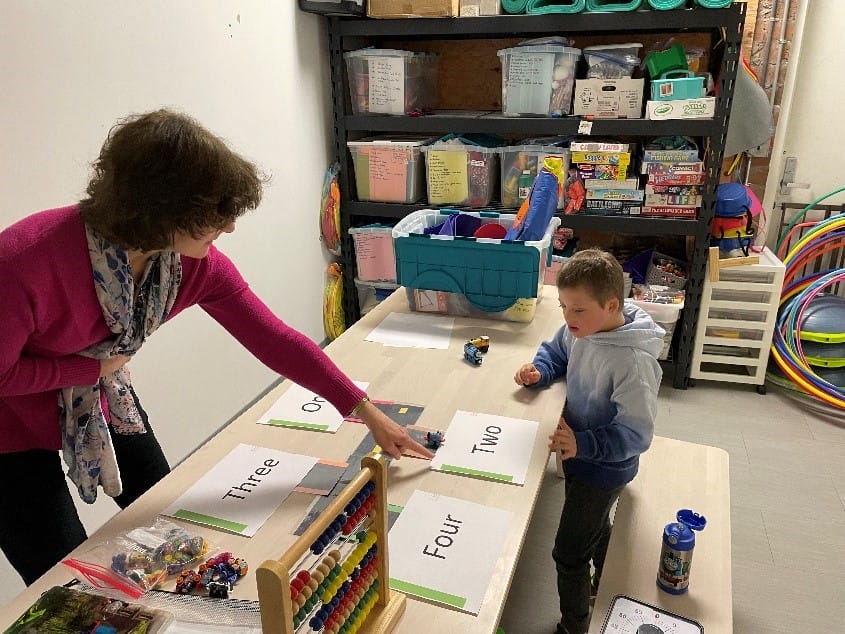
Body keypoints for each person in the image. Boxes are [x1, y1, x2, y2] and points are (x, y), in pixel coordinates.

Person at [0, 108, 433, 587]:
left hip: (103, 396)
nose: (228, 228)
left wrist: (365, 410)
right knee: (57, 576)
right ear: (157, 207)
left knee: (164, 531)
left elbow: (276, 340)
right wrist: (86, 372)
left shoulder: (187, 266)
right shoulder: (24, 261)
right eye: (215, 214)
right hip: (7, 428)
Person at [513, 248, 664, 634]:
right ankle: (604, 577)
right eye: (564, 306)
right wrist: (540, 371)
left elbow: (636, 434)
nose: (567, 318)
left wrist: (584, 445)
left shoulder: (632, 362)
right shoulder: (582, 328)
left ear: (611, 304)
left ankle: (574, 626)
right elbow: (557, 351)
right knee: (593, 526)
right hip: (577, 452)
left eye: (577, 310)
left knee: (567, 553)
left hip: (605, 466)